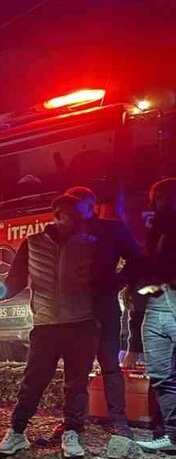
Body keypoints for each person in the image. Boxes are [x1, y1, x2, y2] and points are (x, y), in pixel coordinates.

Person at [0, 194, 99, 459]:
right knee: (33, 381)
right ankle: (17, 432)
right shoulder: (33, 243)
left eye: (77, 216)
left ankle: (72, 432)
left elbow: (103, 281)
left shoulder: (90, 245)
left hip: (82, 324)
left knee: (76, 384)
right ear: (57, 215)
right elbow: (15, 280)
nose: (73, 221)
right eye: (68, 215)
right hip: (46, 325)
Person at [64, 186, 144, 437]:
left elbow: (137, 258)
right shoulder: (63, 233)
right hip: (73, 309)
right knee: (75, 369)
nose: (74, 210)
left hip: (103, 306)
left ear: (90, 205)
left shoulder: (111, 229)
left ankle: (119, 421)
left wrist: (117, 282)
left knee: (109, 364)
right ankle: (73, 423)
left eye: (78, 205)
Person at [134, 178, 176, 453]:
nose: (160, 204)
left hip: (170, 299)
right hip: (155, 305)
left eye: (164, 198)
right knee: (161, 375)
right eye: (158, 199)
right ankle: (172, 436)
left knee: (165, 375)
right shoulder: (154, 229)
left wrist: (163, 282)